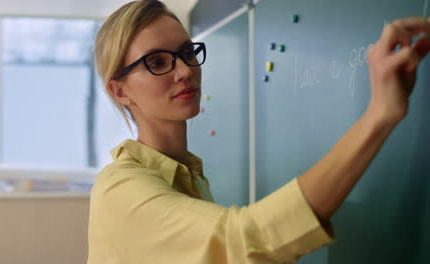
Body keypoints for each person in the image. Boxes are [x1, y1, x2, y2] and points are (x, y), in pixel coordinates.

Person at [87, 0, 430, 263]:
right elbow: (244, 240)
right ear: (120, 91)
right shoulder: (119, 188)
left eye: (187, 53)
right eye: (157, 62)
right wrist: (380, 114)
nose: (184, 71)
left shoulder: (191, 176)